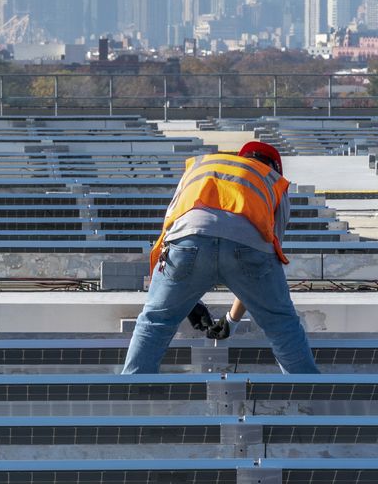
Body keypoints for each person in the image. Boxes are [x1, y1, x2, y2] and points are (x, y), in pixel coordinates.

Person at [122, 141, 318, 374]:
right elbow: (265, 257)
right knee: (281, 324)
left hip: (187, 241)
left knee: (155, 321)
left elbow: (169, 232)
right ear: (274, 167)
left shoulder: (202, 168)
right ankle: (306, 393)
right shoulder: (272, 180)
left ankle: (133, 390)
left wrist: (188, 303)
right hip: (248, 248)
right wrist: (232, 321)